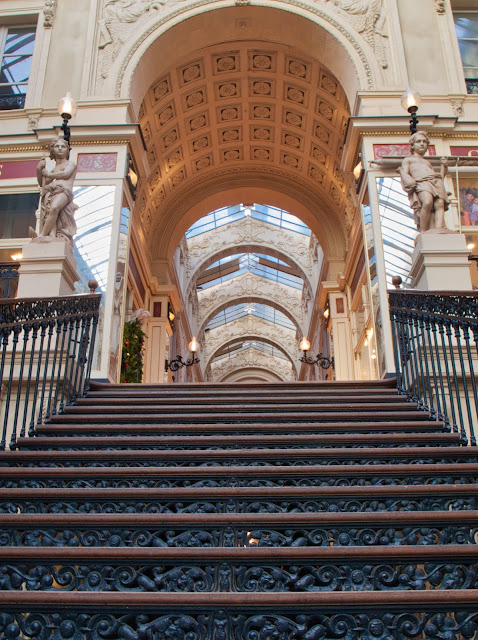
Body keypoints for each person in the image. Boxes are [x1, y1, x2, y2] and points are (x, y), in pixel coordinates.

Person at [399, 131, 450, 233]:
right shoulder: (408, 160)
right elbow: (405, 174)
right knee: (427, 201)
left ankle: (438, 228)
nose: (422, 143)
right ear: (412, 146)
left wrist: (444, 166)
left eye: (424, 142)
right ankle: (423, 230)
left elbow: (440, 177)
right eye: (418, 141)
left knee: (439, 204)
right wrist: (404, 175)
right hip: (421, 182)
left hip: (435, 182)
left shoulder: (427, 162)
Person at [34, 138, 78, 245]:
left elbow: (65, 174)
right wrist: (39, 169)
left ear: (67, 150)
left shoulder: (70, 164)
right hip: (52, 191)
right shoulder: (54, 169)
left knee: (54, 207)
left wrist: (48, 174)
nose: (60, 149)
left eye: (63, 147)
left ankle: (43, 234)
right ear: (53, 150)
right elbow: (42, 183)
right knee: (50, 211)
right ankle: (51, 235)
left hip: (64, 192)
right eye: (57, 147)